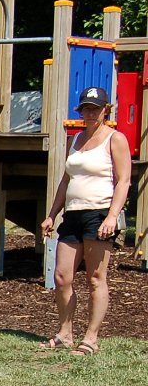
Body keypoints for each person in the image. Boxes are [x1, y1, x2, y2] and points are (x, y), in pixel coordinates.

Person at [39, 86, 131, 356]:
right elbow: (67, 179)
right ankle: (65, 333)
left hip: (99, 214)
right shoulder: (76, 139)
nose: (90, 113)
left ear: (106, 110)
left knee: (95, 278)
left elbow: (124, 181)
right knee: (62, 276)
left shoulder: (116, 139)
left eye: (95, 108)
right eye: (86, 108)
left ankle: (91, 338)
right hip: (73, 214)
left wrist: (113, 216)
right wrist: (52, 214)